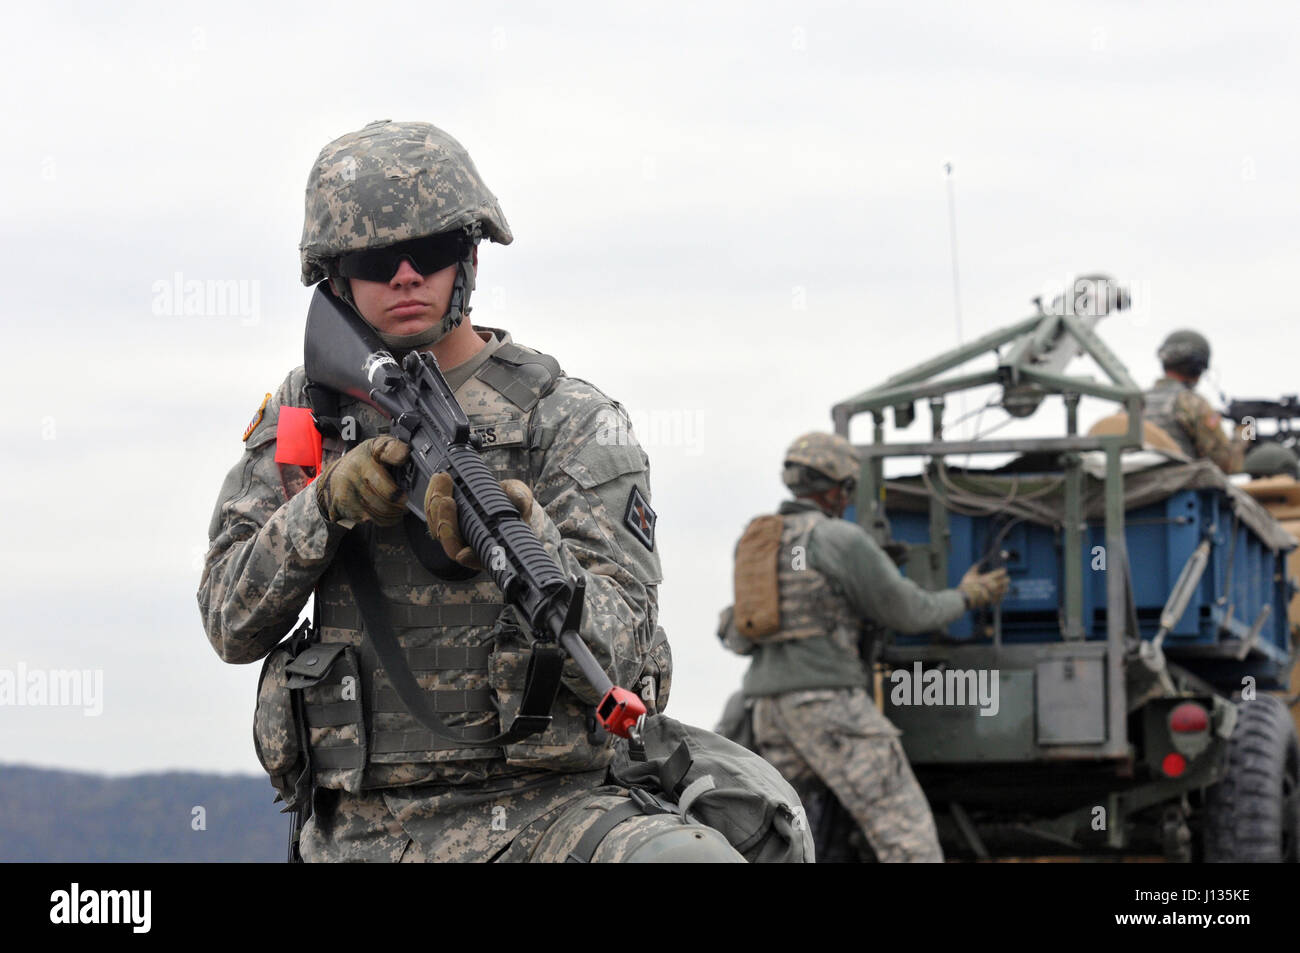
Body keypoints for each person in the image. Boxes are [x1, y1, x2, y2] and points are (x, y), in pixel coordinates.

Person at [198, 120, 740, 863]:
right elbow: (229, 618)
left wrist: (532, 541)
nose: (406, 275)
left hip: (546, 816)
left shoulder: (567, 418)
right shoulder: (307, 414)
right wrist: (324, 508)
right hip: (360, 830)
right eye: (377, 257)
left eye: (433, 252)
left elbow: (622, 650)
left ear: (472, 258)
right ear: (335, 277)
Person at [717, 432, 1009, 862]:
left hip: (767, 712)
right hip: (829, 706)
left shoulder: (760, 539)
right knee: (906, 834)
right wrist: (969, 595)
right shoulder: (838, 538)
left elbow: (739, 631)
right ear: (839, 488)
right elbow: (911, 612)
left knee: (777, 838)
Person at [1144, 330, 1245, 473]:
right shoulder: (1193, 404)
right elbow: (1226, 464)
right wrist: (1243, 434)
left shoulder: (1132, 403)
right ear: (1198, 366)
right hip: (1175, 489)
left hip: (1129, 490)